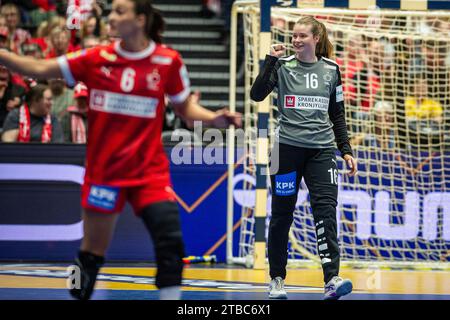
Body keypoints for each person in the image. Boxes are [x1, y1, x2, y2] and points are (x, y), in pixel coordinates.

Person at [0, 0, 241, 300]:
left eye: (119, 11)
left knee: (170, 243)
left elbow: (185, 107)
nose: (111, 17)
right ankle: (75, 292)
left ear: (140, 20)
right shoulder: (95, 58)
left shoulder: (168, 62)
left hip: (148, 172)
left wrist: (213, 118)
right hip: (105, 173)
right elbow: (39, 67)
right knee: (89, 258)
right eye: (112, 11)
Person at [250, 16, 357, 300]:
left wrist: (345, 149)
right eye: (294, 36)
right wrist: (269, 62)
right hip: (285, 150)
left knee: (325, 212)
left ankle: (331, 279)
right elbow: (256, 94)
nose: (296, 40)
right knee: (282, 215)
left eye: (302, 36)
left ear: (316, 39)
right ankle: (276, 280)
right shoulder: (283, 66)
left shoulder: (332, 70)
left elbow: (337, 114)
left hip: (322, 151)